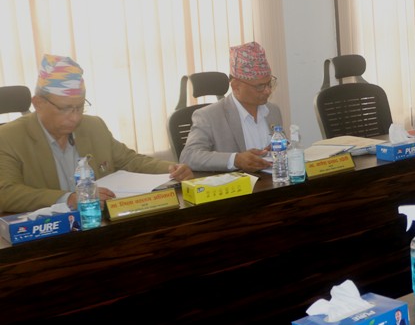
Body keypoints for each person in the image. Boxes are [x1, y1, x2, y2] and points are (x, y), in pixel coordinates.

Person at [0, 54, 192, 214]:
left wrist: (170, 168)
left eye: (79, 107)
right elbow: (5, 193)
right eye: (65, 109)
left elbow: (129, 160)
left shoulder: (94, 126)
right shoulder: (8, 137)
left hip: (98, 225)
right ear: (38, 103)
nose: (75, 117)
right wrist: (69, 199)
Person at [179, 41, 284, 172]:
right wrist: (235, 160)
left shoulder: (273, 111)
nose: (268, 91)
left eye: (269, 83)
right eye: (260, 86)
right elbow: (188, 156)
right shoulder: (208, 116)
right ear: (236, 87)